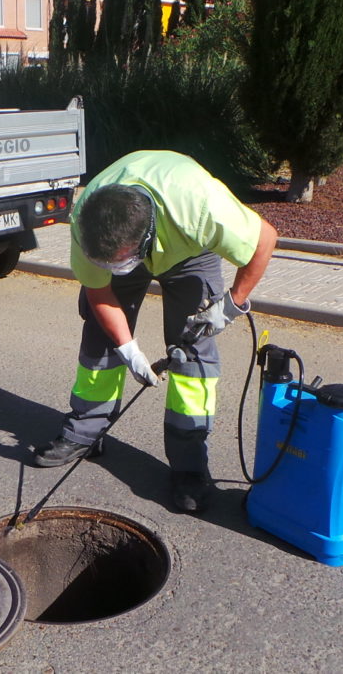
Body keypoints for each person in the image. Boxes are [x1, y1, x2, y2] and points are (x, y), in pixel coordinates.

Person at [33, 150, 278, 513]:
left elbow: (265, 239)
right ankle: (86, 430)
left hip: (188, 249)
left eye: (119, 261)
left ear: (145, 236)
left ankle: (189, 464)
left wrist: (230, 305)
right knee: (102, 338)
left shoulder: (201, 207)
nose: (110, 268)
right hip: (125, 240)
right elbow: (100, 290)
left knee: (192, 348)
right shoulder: (87, 222)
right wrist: (128, 348)